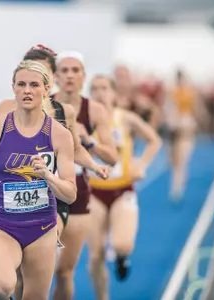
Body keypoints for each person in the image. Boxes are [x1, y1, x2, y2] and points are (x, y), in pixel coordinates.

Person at [0, 45, 111, 300]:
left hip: (54, 198)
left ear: (49, 78)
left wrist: (94, 166)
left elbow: (76, 149)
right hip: (14, 198)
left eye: (42, 73)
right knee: (20, 277)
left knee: (57, 269)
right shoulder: (5, 108)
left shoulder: (62, 111)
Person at [0, 60, 77, 300]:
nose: (27, 90)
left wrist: (48, 176)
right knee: (2, 287)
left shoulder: (59, 135)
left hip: (42, 228)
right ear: (13, 88)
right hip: (2, 226)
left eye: (34, 85)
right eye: (21, 84)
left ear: (46, 89)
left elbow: (70, 194)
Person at [86, 75, 162, 299]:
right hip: (94, 191)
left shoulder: (125, 118)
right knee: (95, 256)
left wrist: (141, 163)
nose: (100, 93)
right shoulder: (82, 121)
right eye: (95, 89)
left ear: (113, 93)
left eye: (104, 88)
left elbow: (155, 140)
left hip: (122, 190)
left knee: (121, 244)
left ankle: (121, 256)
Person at [51, 51, 118, 300]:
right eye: (64, 70)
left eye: (75, 70)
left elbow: (112, 157)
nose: (69, 75)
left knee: (64, 272)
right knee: (29, 267)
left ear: (83, 77)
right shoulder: (42, 104)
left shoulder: (95, 110)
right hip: (43, 188)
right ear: (56, 76)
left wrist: (89, 142)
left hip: (77, 191)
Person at [166, 69, 198, 200]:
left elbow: (194, 111)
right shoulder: (172, 93)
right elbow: (168, 109)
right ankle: (177, 184)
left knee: (182, 160)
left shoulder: (189, 93)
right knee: (173, 162)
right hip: (174, 129)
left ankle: (177, 187)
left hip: (185, 126)